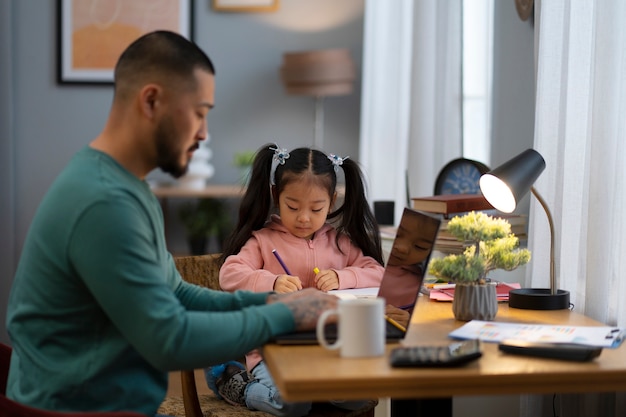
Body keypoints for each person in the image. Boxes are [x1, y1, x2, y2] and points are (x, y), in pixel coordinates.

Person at [4, 31, 338, 416]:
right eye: (199, 112)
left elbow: (176, 292)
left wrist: (269, 300)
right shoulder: (104, 202)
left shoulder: (127, 187)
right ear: (151, 101)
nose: (204, 132)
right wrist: (285, 315)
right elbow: (168, 340)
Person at [212, 144, 386, 416]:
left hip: (326, 350)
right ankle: (240, 388)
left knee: (356, 396)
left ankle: (316, 390)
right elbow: (229, 273)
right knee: (293, 402)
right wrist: (271, 281)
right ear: (275, 195)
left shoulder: (339, 243)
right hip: (272, 353)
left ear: (332, 201)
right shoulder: (263, 240)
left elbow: (377, 272)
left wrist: (344, 276)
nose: (304, 218)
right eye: (293, 207)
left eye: (316, 209)